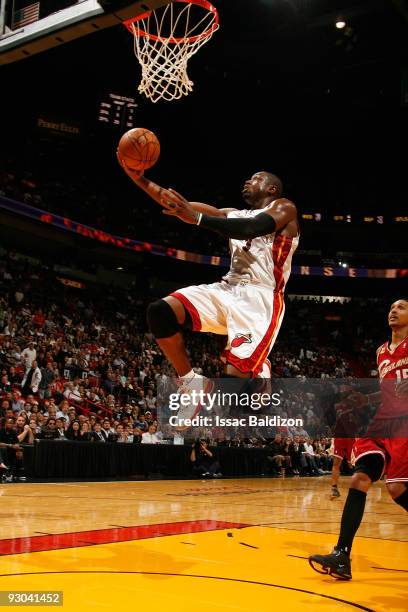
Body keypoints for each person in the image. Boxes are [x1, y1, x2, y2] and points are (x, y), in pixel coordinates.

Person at [118, 157, 299, 424]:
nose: (248, 181)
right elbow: (178, 205)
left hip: (261, 298)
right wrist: (139, 178)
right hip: (228, 288)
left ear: (271, 188)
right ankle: (190, 382)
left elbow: (252, 227)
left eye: (256, 178)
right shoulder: (231, 213)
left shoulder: (285, 207)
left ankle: (259, 369)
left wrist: (200, 218)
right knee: (160, 312)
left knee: (232, 388)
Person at [309, 298, 408, 580]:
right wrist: (367, 397)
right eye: (391, 307)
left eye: (401, 307)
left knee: (397, 489)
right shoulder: (381, 352)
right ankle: (341, 555)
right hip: (382, 423)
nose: (393, 310)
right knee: (359, 479)